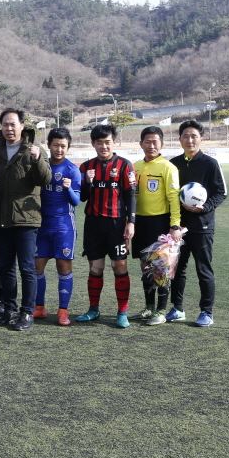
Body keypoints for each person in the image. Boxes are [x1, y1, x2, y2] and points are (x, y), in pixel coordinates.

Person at [0, 108, 51, 331]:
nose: (9, 128)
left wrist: (37, 160)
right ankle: (10, 310)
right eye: (5, 124)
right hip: (1, 219)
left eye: (13, 124)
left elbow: (44, 179)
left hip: (26, 219)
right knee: (6, 268)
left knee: (26, 268)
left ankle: (27, 313)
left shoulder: (33, 150)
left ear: (22, 126)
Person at [77, 124, 137, 329]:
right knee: (96, 267)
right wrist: (87, 182)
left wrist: (131, 222)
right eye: (99, 142)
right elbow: (82, 198)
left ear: (114, 142)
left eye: (107, 142)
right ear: (93, 143)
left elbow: (130, 195)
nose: (104, 146)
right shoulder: (86, 167)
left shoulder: (125, 165)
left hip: (116, 224)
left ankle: (122, 312)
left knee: (119, 266)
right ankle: (93, 309)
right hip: (93, 223)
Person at [168, 119, 227, 327]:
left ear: (201, 138)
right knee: (177, 269)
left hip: (202, 226)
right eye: (186, 136)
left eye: (194, 136)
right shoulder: (173, 163)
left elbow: (221, 193)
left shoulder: (210, 163)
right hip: (178, 227)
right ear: (180, 139)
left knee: (203, 269)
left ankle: (206, 312)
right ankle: (177, 308)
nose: (190, 140)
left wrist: (205, 207)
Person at [132, 126, 183, 326]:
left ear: (161, 144)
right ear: (141, 144)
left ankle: (161, 310)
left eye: (155, 142)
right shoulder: (134, 166)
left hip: (160, 223)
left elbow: (174, 199)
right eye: (147, 141)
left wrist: (175, 225)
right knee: (145, 268)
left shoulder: (168, 167)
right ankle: (148, 308)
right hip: (139, 224)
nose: (151, 145)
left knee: (161, 269)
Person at [35, 127, 82, 326]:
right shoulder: (41, 167)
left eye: (63, 146)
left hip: (63, 225)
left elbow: (77, 201)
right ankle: (39, 308)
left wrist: (69, 188)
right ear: (49, 146)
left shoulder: (72, 170)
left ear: (68, 147)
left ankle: (63, 310)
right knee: (36, 267)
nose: (59, 149)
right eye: (56, 145)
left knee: (63, 267)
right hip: (40, 225)